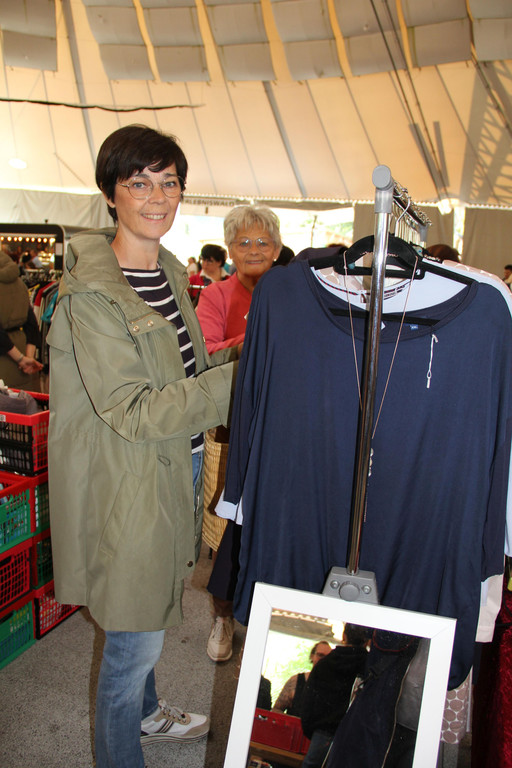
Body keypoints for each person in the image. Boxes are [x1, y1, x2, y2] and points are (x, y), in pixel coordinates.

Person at [46, 124, 241, 768]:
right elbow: (133, 409)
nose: (158, 197)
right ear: (110, 193)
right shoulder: (92, 294)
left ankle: (151, 715)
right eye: (139, 183)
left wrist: (252, 353)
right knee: (133, 645)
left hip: (175, 463)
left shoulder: (169, 272)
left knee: (152, 603)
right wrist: (239, 382)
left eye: (169, 182)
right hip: (128, 479)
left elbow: (186, 373)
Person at [195, 204, 282, 662]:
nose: (253, 250)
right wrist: (256, 342)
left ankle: (271, 621)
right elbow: (206, 353)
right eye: (243, 242)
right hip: (234, 426)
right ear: (229, 250)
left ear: (278, 248)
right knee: (230, 530)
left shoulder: (291, 294)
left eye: (262, 242)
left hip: (283, 429)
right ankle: (223, 617)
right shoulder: (216, 295)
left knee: (275, 527)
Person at [300, 626, 369, 768]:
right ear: (368, 641)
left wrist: (312, 731)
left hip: (322, 735)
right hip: (354, 739)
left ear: (344, 636)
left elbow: (308, 702)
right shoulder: (370, 668)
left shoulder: (324, 664)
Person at [0, 249, 43, 391]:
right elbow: (32, 324)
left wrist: (20, 359)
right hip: (23, 356)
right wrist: (28, 358)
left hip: (6, 360)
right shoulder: (20, 284)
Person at [273, 641, 332, 716]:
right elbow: (276, 710)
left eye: (328, 657)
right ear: (312, 656)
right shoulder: (295, 681)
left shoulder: (334, 687)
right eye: (320, 655)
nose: (324, 660)